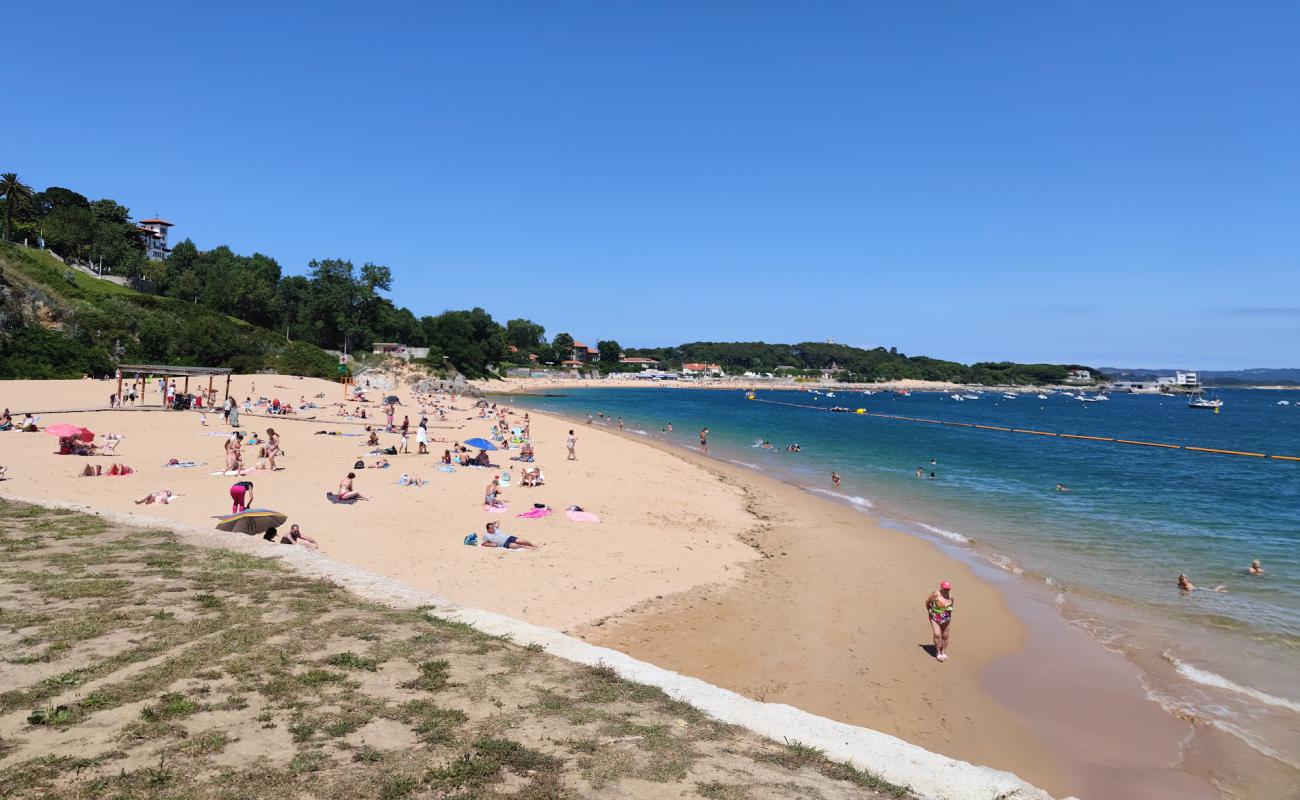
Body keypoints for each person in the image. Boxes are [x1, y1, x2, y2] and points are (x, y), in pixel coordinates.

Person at [926, 581, 955, 662]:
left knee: (945, 636)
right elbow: (927, 602)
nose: (947, 590)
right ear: (941, 587)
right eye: (945, 589)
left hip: (946, 618)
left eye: (948, 589)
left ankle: (944, 652)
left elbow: (951, 607)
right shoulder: (936, 595)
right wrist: (929, 611)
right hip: (935, 617)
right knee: (937, 634)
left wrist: (948, 614)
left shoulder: (950, 597)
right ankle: (938, 652)